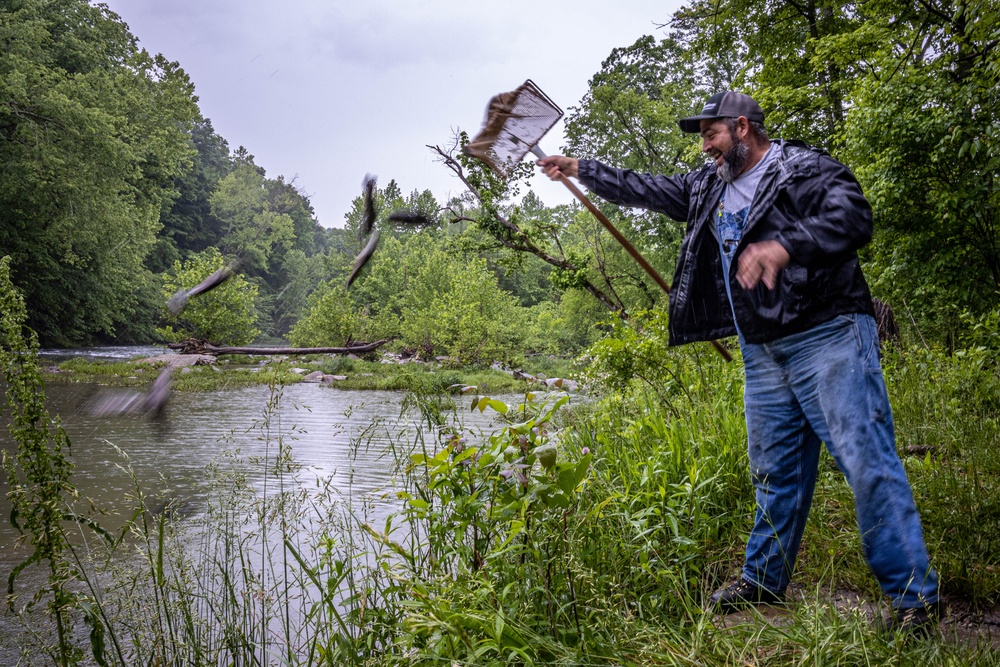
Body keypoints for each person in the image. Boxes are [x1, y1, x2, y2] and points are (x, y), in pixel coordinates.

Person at [537, 91, 939, 632]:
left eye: (710, 134)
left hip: (829, 336)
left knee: (867, 465)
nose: (704, 146)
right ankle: (764, 580)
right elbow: (648, 188)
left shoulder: (802, 169)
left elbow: (854, 216)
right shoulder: (708, 185)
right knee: (774, 472)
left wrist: (786, 245)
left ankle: (915, 599)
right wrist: (582, 168)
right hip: (762, 352)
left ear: (742, 128)